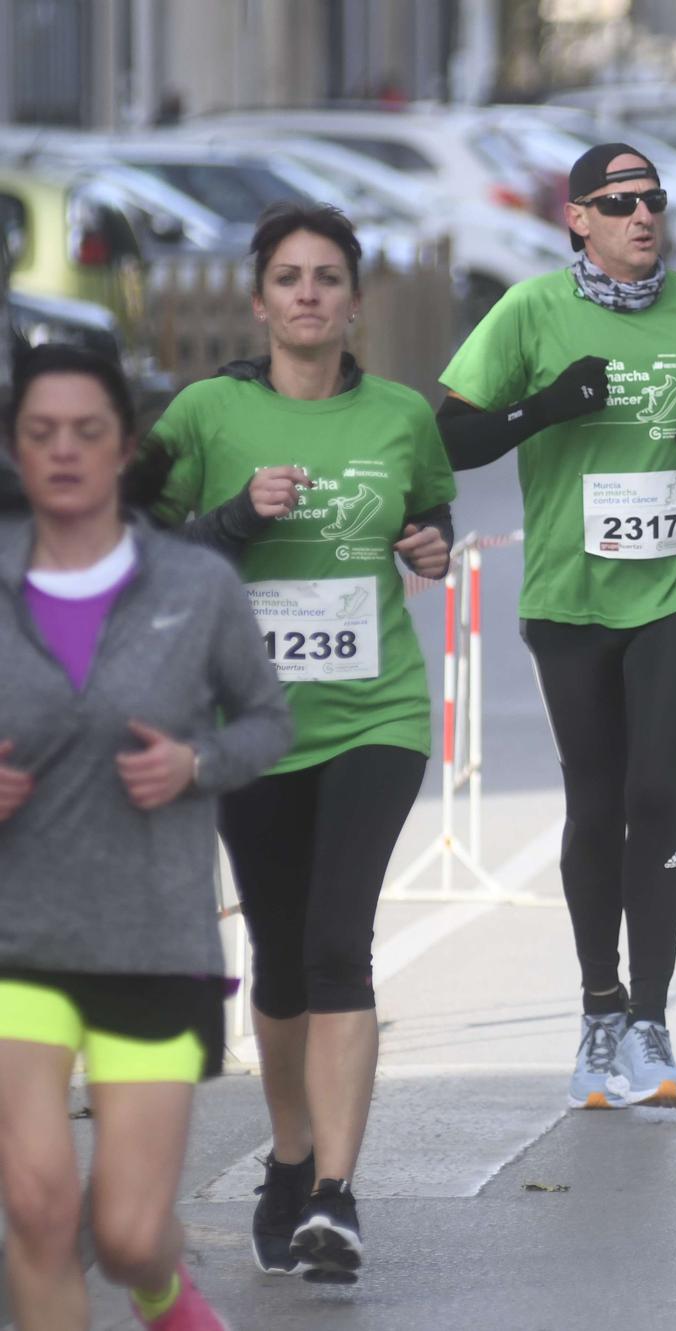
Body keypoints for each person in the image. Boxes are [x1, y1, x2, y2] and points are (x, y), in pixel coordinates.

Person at [142, 202, 456, 1284]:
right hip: (250, 725)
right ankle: (288, 1152)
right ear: (261, 298)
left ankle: (335, 1192)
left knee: (336, 943)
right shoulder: (205, 414)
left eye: (329, 276)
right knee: (278, 956)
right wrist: (234, 517)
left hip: (376, 714)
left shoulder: (401, 417)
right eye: (289, 277)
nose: (310, 293)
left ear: (355, 300)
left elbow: (431, 520)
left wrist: (430, 542)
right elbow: (145, 550)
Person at [437, 143, 676, 1115]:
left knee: (656, 787)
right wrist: (544, 407)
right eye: (619, 203)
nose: (642, 216)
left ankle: (652, 1021)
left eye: (654, 199)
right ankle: (598, 1008)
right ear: (578, 218)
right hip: (570, 593)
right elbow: (451, 436)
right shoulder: (532, 309)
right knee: (594, 799)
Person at [0, 345, 292, 1330]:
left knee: (124, 1233)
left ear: (126, 448)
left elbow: (266, 721)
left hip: (154, 936)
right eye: (42, 434)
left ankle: (161, 1287)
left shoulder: (195, 584)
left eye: (88, 431)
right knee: (38, 1210)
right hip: (17, 939)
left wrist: (194, 765)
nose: (66, 451)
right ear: (17, 450)